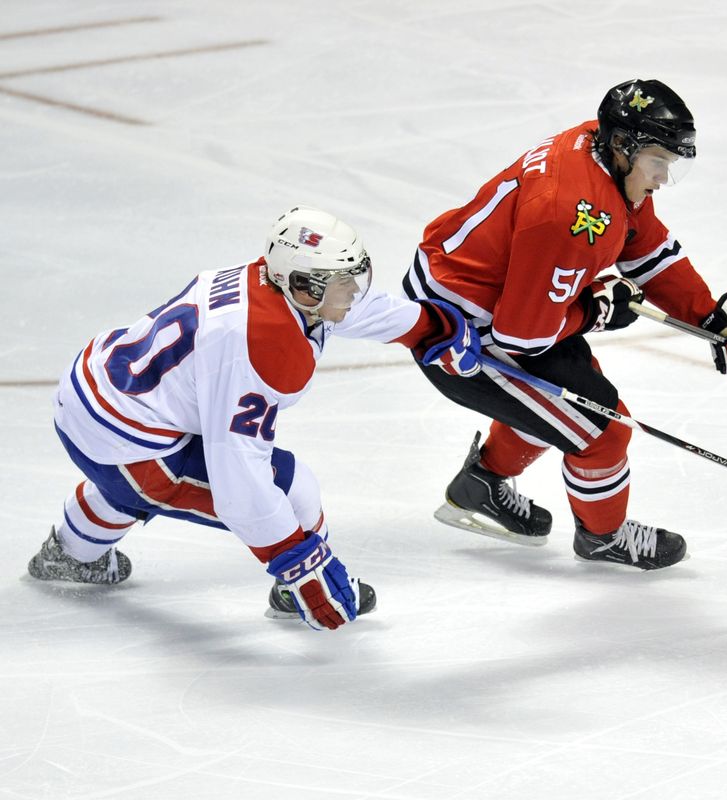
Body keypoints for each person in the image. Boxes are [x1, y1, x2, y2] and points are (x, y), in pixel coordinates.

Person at [27, 206, 481, 630]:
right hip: (128, 443)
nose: (353, 291)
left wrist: (429, 328)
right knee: (292, 487)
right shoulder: (266, 344)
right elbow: (239, 478)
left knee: (132, 481)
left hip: (92, 399)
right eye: (341, 282)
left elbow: (347, 308)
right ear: (303, 286)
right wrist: (300, 565)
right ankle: (294, 594)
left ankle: (71, 553)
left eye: (353, 276)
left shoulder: (271, 281)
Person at [401, 78, 727, 570]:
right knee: (602, 428)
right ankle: (604, 536)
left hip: (491, 300)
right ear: (623, 146)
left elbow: (645, 245)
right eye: (658, 161)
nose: (662, 177)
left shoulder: (598, 150)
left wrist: (706, 316)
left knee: (563, 406)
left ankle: (480, 485)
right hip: (462, 333)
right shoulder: (571, 214)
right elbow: (522, 336)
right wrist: (597, 310)